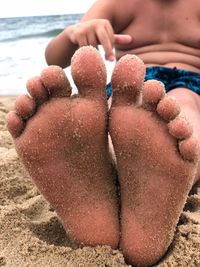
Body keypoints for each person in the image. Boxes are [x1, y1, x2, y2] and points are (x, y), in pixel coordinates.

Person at [6, 0, 200, 266]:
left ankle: (135, 181)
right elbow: (55, 58)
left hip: (191, 81)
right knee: (120, 118)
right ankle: (108, 177)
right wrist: (74, 34)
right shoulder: (119, 3)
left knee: (183, 110)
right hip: (129, 86)